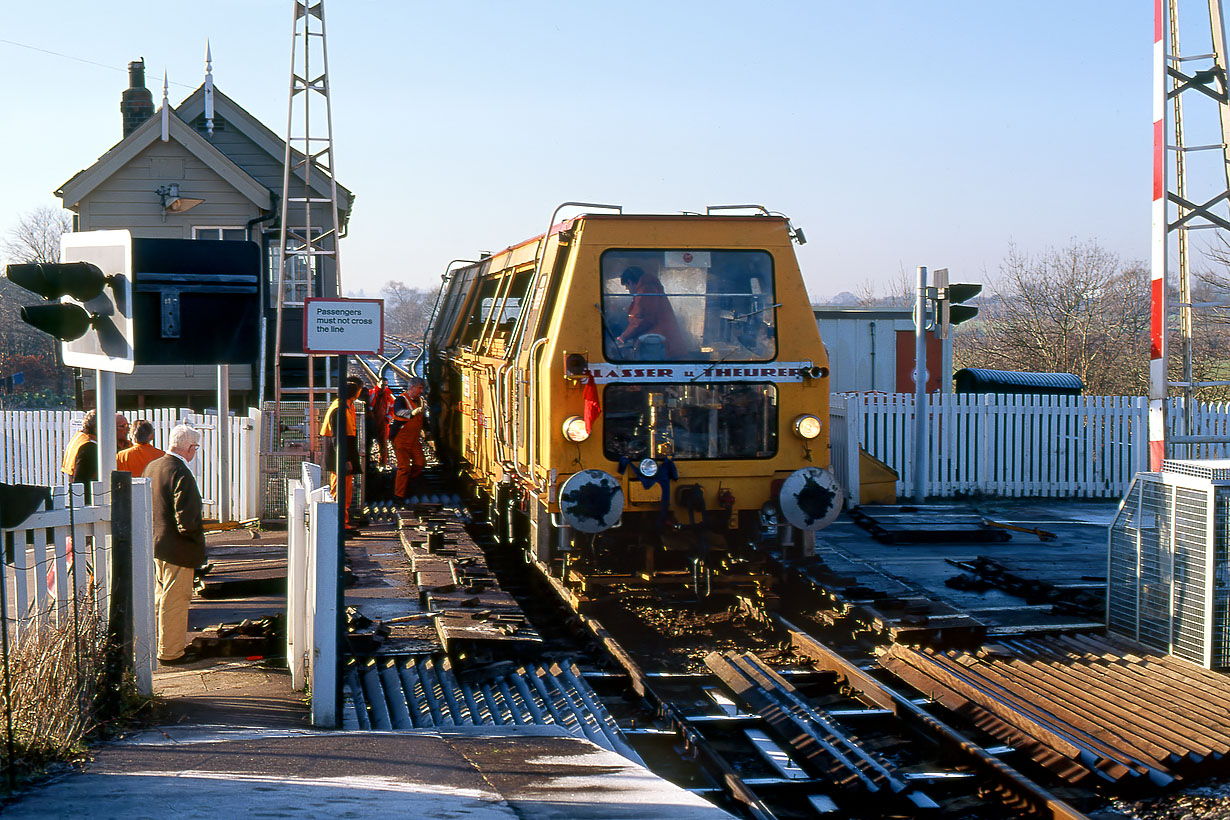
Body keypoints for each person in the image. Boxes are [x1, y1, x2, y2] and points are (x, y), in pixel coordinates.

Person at [146, 424, 206, 666]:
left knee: (160, 599)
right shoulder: (180, 472)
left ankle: (159, 645)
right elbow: (187, 519)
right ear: (190, 448)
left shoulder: (152, 466)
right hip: (178, 548)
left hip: (155, 544)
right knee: (176, 602)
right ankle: (171, 652)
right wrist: (195, 539)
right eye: (196, 448)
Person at [615, 266, 685, 358]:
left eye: (626, 286)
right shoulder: (650, 288)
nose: (627, 290)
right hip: (660, 343)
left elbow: (642, 319)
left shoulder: (646, 290)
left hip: (658, 345)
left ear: (630, 281)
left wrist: (624, 337)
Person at [321, 378, 362, 534]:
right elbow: (338, 438)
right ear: (355, 394)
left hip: (342, 457)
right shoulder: (339, 410)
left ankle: (343, 524)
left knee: (344, 491)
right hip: (340, 458)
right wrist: (345, 460)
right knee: (339, 492)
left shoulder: (342, 407)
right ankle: (339, 526)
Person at [391, 378, 427, 503]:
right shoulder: (401, 399)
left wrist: (427, 430)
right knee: (403, 467)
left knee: (420, 463)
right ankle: (398, 495)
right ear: (411, 387)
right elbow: (399, 412)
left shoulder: (420, 401)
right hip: (401, 439)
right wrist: (412, 412)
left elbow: (423, 418)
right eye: (419, 388)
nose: (421, 391)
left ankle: (407, 484)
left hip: (414, 440)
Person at [62, 410, 99, 503]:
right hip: (86, 497)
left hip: (74, 491)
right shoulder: (89, 445)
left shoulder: (78, 437)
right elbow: (81, 477)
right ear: (96, 428)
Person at [370, 377, 394, 468]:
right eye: (382, 385)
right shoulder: (372, 393)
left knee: (383, 444)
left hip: (383, 422)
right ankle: (368, 462)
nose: (384, 387)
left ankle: (382, 464)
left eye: (386, 385)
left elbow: (392, 408)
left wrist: (388, 418)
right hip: (372, 422)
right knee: (369, 443)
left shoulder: (388, 396)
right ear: (378, 383)